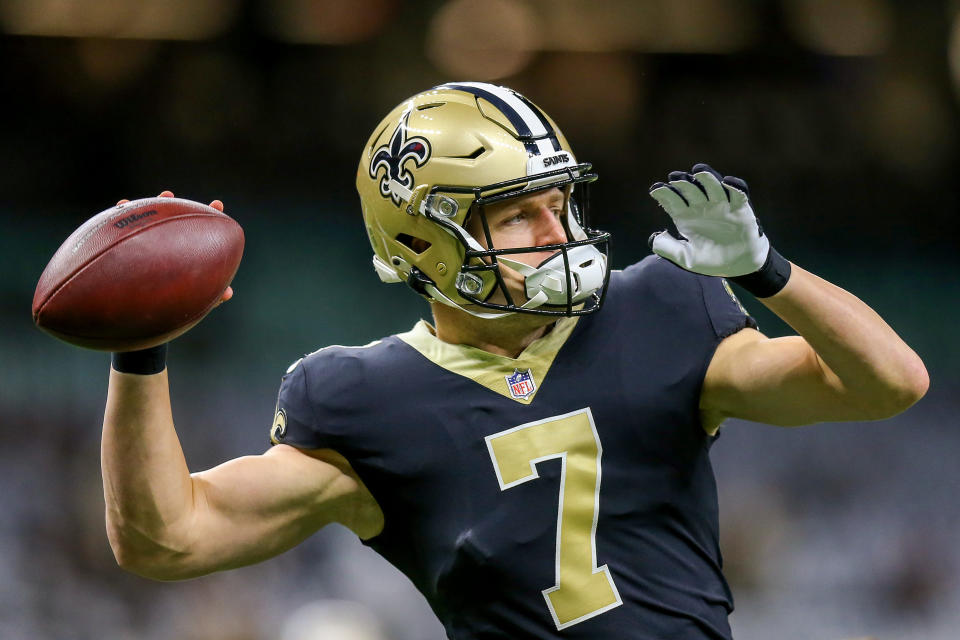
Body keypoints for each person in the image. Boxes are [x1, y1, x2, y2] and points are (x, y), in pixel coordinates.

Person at [101, 82, 928, 640]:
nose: (557, 233)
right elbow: (167, 540)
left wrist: (766, 271)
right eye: (518, 214)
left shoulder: (658, 310)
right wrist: (140, 350)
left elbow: (888, 383)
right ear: (423, 241)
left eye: (559, 202)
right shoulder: (364, 401)